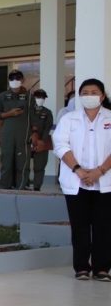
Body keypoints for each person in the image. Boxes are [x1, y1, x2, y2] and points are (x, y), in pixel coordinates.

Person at [52, 78, 111, 281]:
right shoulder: (69, 119)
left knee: (104, 226)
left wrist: (99, 171)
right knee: (80, 227)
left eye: (94, 92)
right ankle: (82, 267)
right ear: (79, 96)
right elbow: (60, 145)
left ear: (102, 96)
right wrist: (78, 170)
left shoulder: (109, 117)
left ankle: (102, 268)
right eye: (85, 93)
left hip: (105, 181)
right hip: (76, 180)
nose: (89, 96)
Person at [0, 70, 30, 189]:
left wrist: (34, 133)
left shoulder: (29, 97)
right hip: (7, 134)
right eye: (12, 78)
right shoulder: (2, 96)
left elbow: (34, 116)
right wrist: (9, 114)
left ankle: (22, 185)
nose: (15, 81)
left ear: (23, 80)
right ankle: (5, 185)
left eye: (18, 78)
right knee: (7, 161)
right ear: (9, 81)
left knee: (22, 162)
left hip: (24, 134)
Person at [27, 89, 54, 191]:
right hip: (27, 141)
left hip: (42, 141)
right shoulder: (28, 111)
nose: (40, 99)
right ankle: (24, 184)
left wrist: (42, 140)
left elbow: (48, 127)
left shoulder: (47, 112)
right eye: (38, 97)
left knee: (40, 165)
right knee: (24, 164)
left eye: (42, 97)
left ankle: (37, 186)